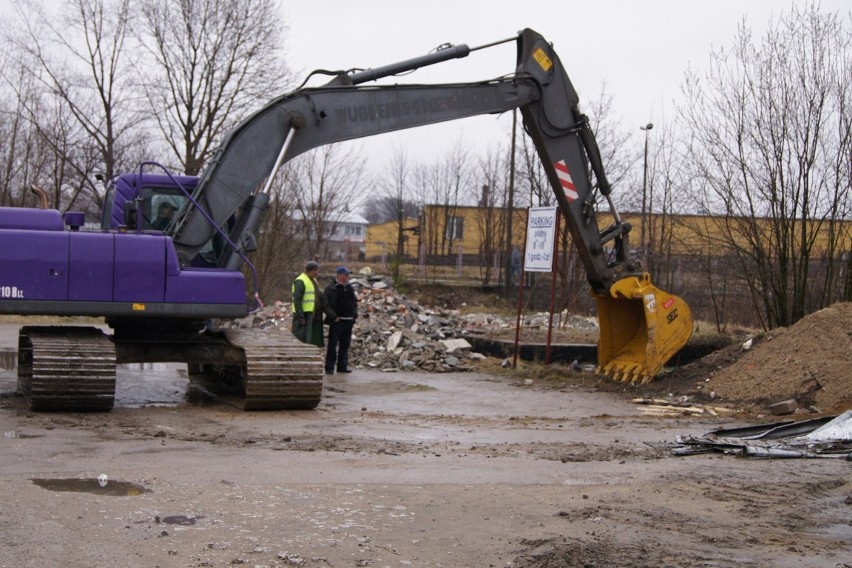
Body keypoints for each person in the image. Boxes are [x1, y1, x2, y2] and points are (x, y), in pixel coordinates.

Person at [322, 266, 358, 374]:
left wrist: (354, 315)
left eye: (348, 275)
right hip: (337, 321)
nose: (347, 277)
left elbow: (354, 302)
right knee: (333, 345)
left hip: (348, 320)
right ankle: (329, 367)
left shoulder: (349, 288)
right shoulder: (330, 288)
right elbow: (325, 305)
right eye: (345, 275)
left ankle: (342, 367)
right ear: (339, 275)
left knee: (345, 344)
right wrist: (333, 316)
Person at [291, 261, 324, 347]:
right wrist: (301, 316)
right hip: (303, 313)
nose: (317, 273)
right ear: (310, 270)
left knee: (309, 336)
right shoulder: (300, 281)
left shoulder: (313, 280)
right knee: (301, 336)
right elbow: (297, 300)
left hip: (311, 312)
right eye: (315, 270)